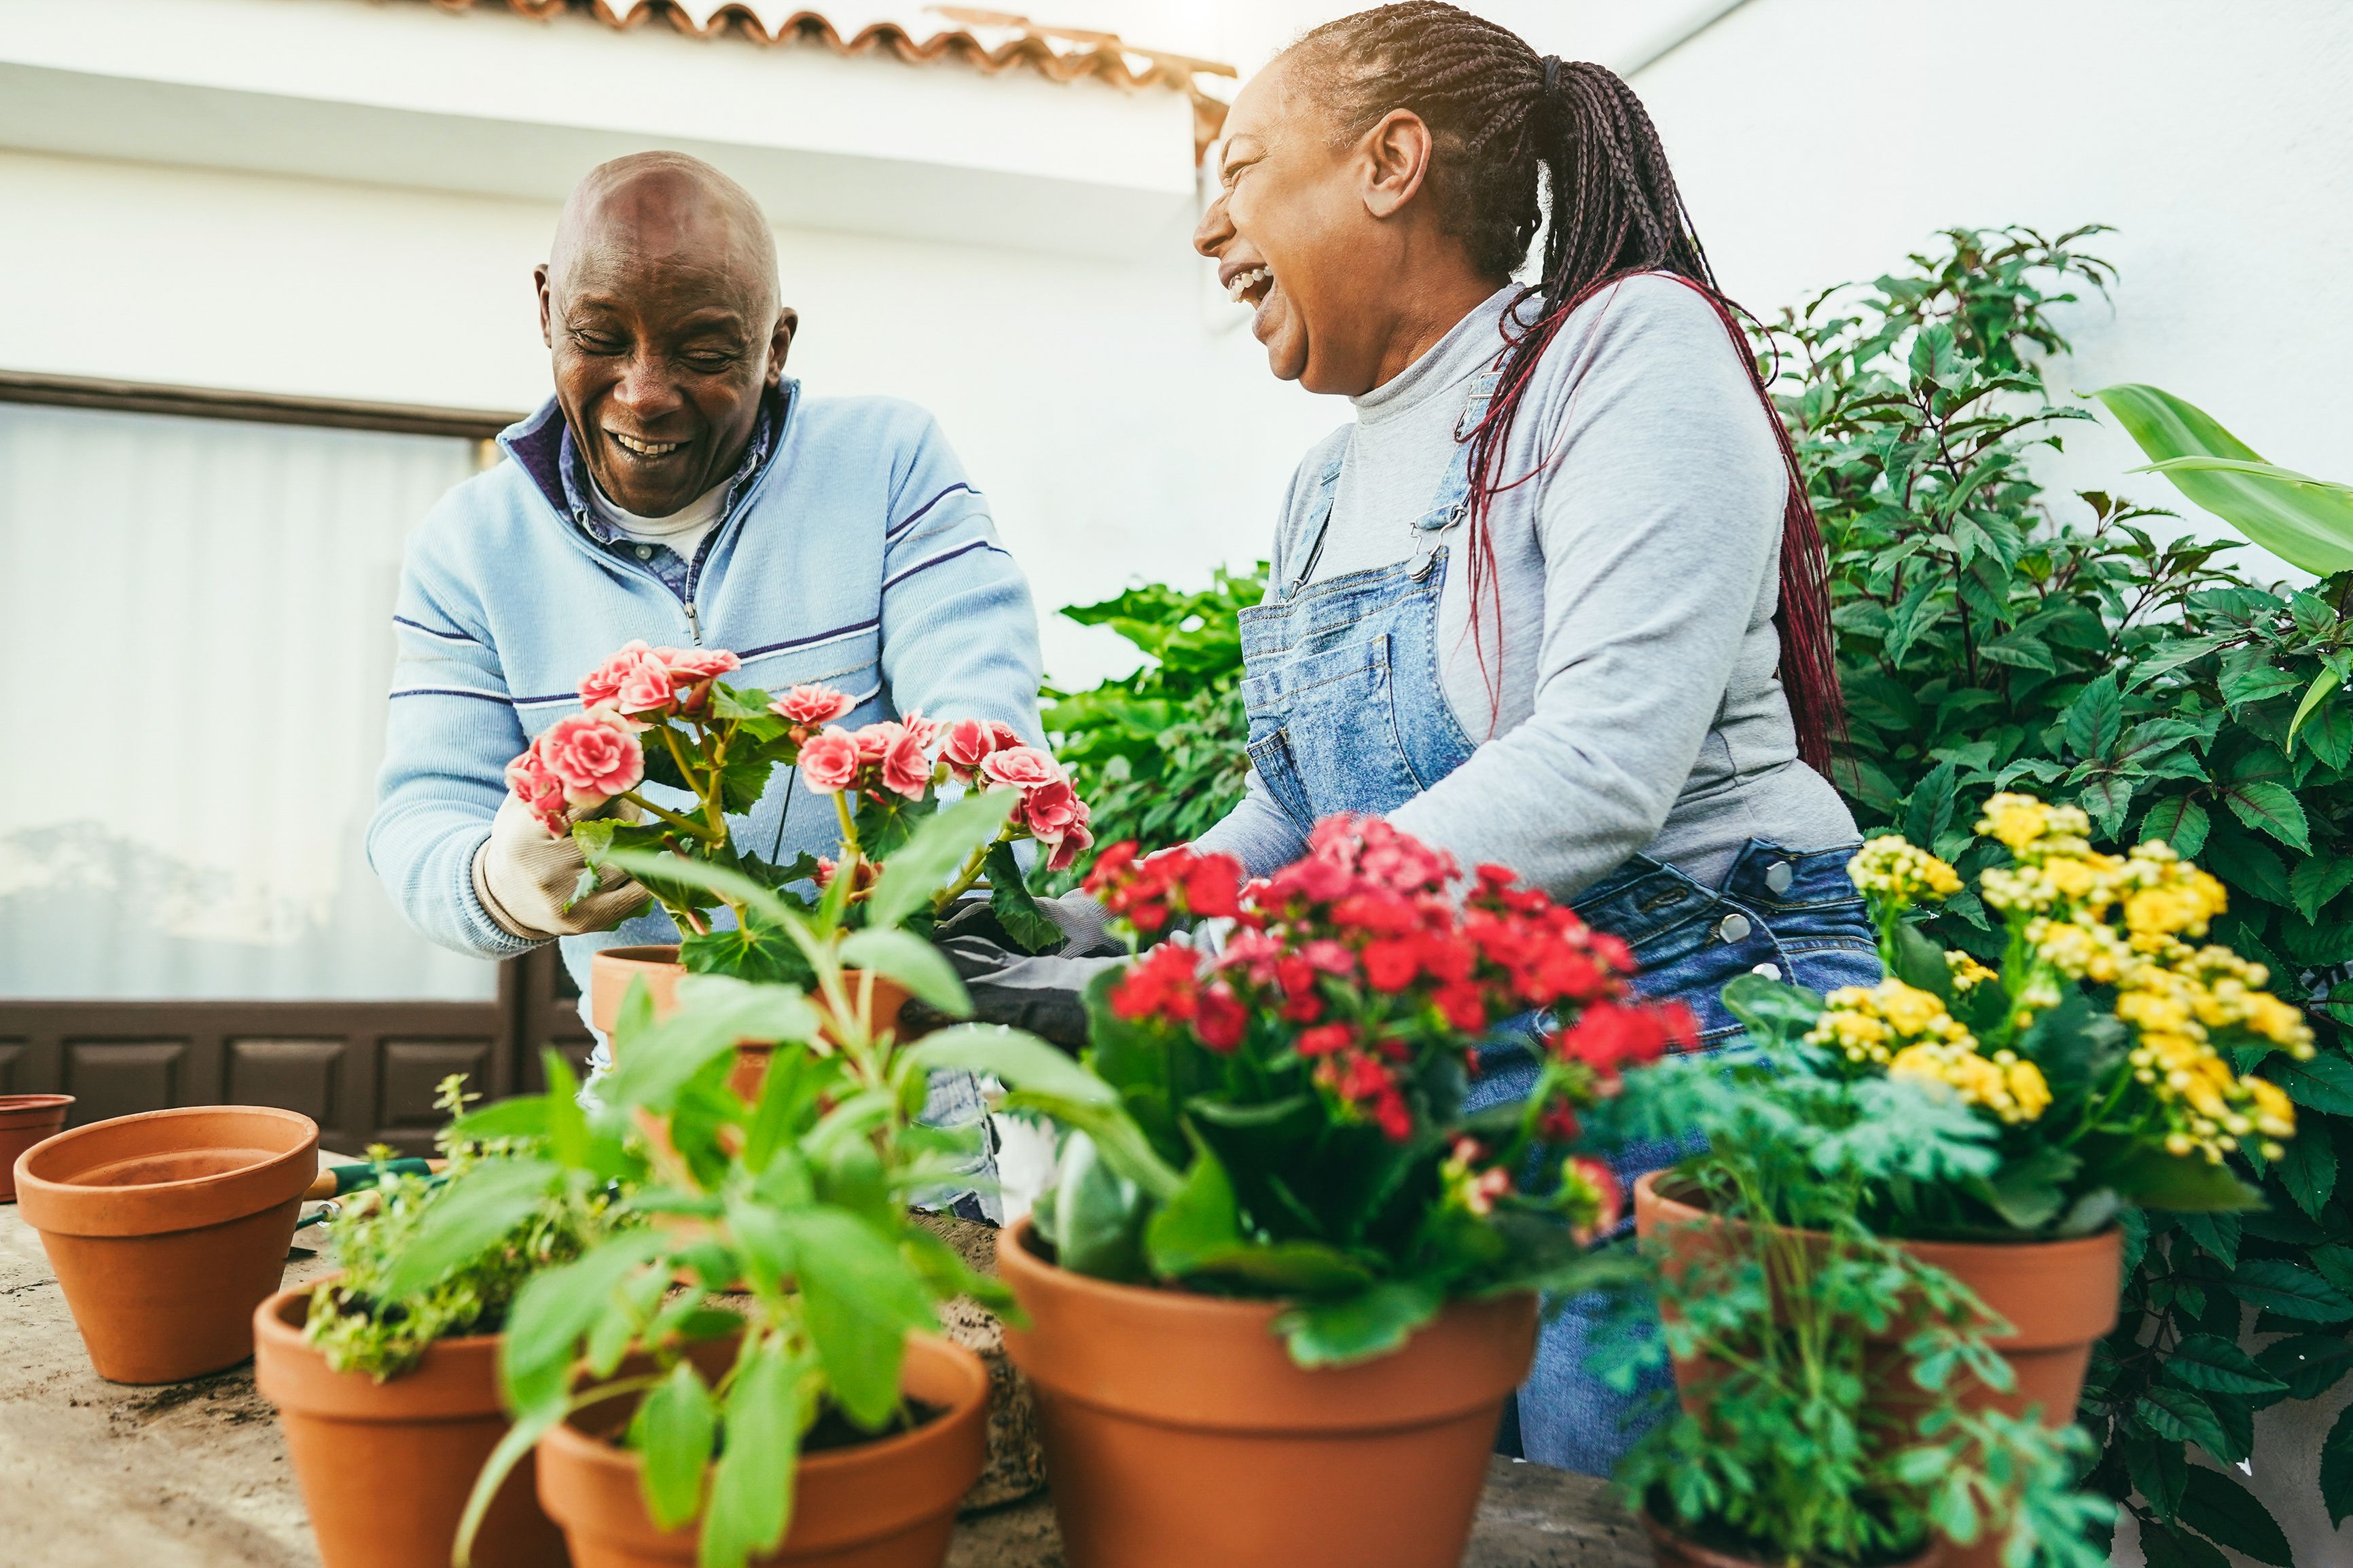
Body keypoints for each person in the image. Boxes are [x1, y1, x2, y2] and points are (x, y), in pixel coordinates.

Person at [1185, 3, 1882, 1472]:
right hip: (1452, 1075)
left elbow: (1599, 767)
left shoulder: (1626, 352)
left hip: (1685, 1038)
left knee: (1617, 1526)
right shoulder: (1322, 483)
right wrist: (1098, 925)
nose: (1208, 225)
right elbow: (1287, 812)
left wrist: (1242, 951)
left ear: (1389, 162)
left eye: (1238, 167)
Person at [368, 153, 1045, 1145]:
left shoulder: (890, 465)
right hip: (654, 1086)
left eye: (703, 350)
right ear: (546, 309)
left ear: (777, 345)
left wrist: (914, 882)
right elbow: (416, 821)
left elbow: (982, 739)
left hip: (905, 1088)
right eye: (600, 337)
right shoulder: (470, 548)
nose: (644, 394)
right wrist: (497, 879)